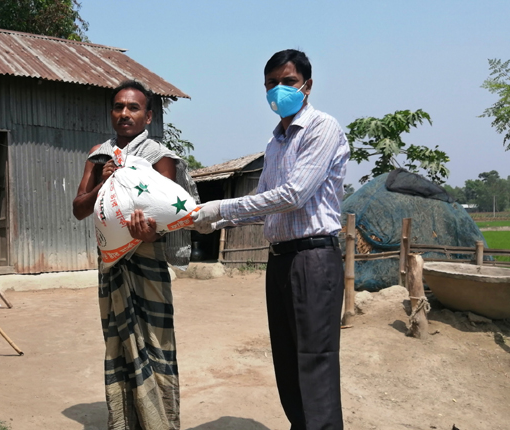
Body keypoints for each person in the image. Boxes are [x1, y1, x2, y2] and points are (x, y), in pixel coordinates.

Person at [191, 49, 349, 429]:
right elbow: (264, 205)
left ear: (307, 85)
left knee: (315, 361)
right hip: (279, 259)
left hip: (313, 258)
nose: (279, 89)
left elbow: (294, 195)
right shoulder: (275, 143)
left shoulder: (321, 128)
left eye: (288, 81)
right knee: (287, 360)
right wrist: (215, 222)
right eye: (271, 83)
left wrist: (221, 206)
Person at [72, 80, 198, 430]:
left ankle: (161, 422)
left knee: (157, 342)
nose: (124, 113)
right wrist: (103, 184)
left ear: (148, 116)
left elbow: (167, 218)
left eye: (133, 107)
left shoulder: (159, 157)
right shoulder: (99, 155)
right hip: (112, 264)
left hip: (148, 261)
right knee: (118, 342)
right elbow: (79, 208)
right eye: (118, 107)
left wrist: (149, 232)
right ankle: (124, 421)